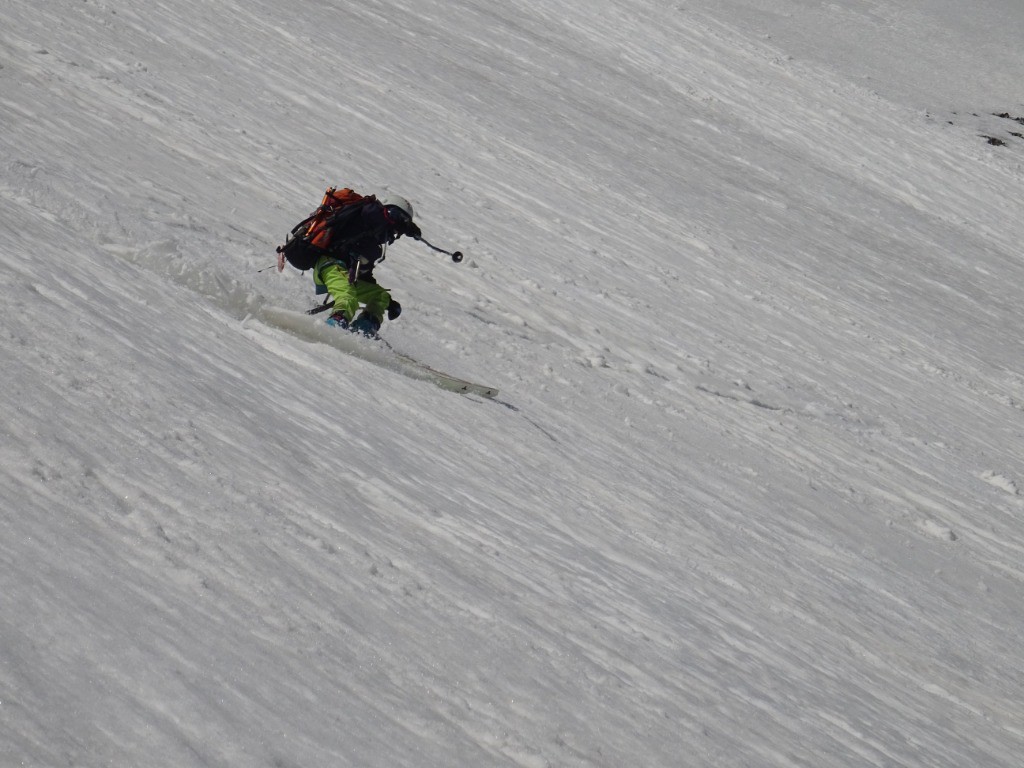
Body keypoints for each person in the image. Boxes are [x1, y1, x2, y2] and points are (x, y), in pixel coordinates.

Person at [313, 194, 421, 336]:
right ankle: (330, 331)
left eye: (402, 221)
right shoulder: (368, 214)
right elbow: (376, 216)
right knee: (348, 298)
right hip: (329, 263)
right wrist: (403, 225)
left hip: (344, 273)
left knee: (380, 296)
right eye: (396, 216)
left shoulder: (372, 245)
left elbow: (364, 274)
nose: (395, 230)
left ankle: (363, 329)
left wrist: (389, 303)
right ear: (387, 211)